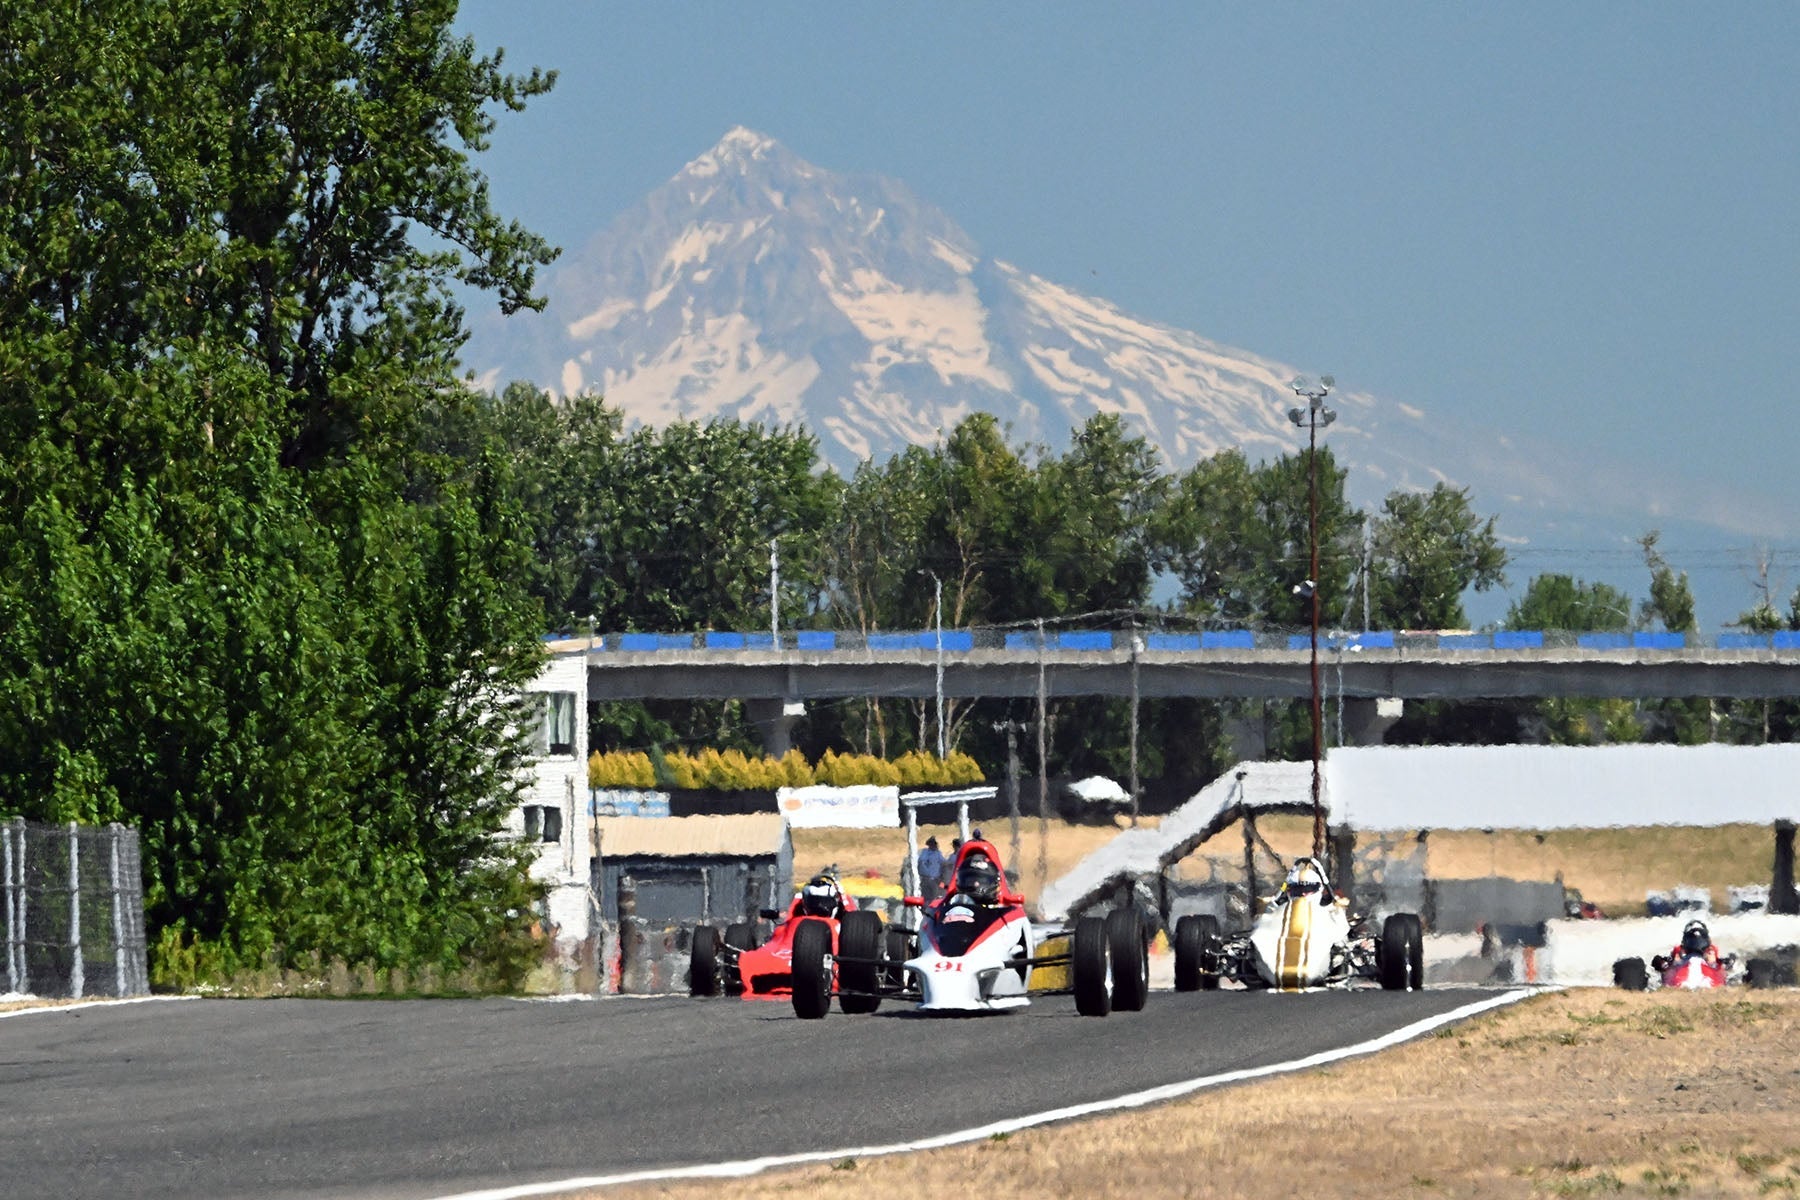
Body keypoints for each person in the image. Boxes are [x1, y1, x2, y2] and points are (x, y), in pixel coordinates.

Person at [916, 837, 945, 901]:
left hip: (935, 879)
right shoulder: (924, 852)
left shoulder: (938, 853)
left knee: (934, 895)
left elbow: (943, 862)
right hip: (925, 878)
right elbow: (921, 861)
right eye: (931, 844)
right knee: (925, 895)